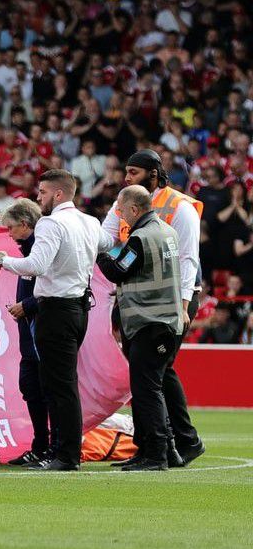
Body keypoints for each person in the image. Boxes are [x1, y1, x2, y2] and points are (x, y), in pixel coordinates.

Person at [0, 169, 109, 471]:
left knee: (60, 387)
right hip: (79, 309)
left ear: (58, 194)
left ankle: (66, 455)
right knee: (63, 383)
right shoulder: (90, 222)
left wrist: (3, 261)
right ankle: (63, 451)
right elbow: (107, 244)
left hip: (55, 310)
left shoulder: (50, 223)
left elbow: (37, 264)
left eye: (42, 192)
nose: (38, 198)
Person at [101, 149, 205, 468]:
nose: (127, 177)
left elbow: (189, 260)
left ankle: (165, 446)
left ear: (154, 174)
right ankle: (173, 444)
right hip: (145, 302)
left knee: (152, 375)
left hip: (170, 301)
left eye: (133, 172)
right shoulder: (128, 203)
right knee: (159, 372)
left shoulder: (180, 208)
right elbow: (104, 237)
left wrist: (184, 305)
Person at [95, 185, 186, 471]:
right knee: (149, 388)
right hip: (163, 320)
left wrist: (98, 251)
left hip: (149, 322)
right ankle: (159, 450)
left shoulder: (141, 238)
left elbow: (117, 271)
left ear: (134, 209)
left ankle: (156, 454)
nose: (120, 216)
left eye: (121, 211)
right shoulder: (166, 231)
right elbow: (143, 273)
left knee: (147, 391)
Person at [0, 199, 53, 465]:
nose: (9, 234)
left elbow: (56, 289)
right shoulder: (27, 253)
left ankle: (55, 447)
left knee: (50, 391)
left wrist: (27, 305)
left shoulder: (42, 250)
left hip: (44, 333)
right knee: (31, 388)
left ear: (24, 224)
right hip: (29, 338)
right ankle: (41, 446)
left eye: (11, 228)